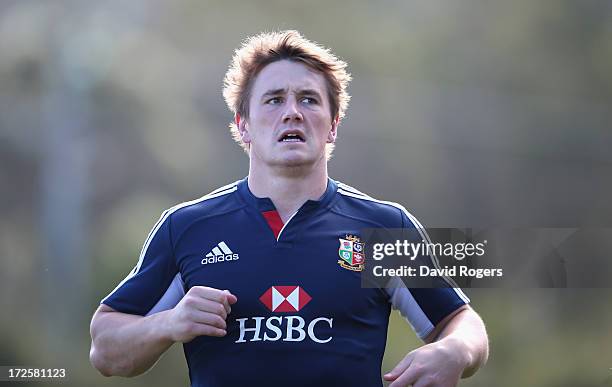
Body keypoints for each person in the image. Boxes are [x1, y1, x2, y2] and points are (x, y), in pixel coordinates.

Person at [89, 30, 488, 387]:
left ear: (333, 125)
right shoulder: (187, 227)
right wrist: (169, 323)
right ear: (243, 125)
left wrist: (454, 351)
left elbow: (462, 324)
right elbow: (105, 348)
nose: (292, 111)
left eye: (309, 100)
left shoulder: (383, 227)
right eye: (274, 99)